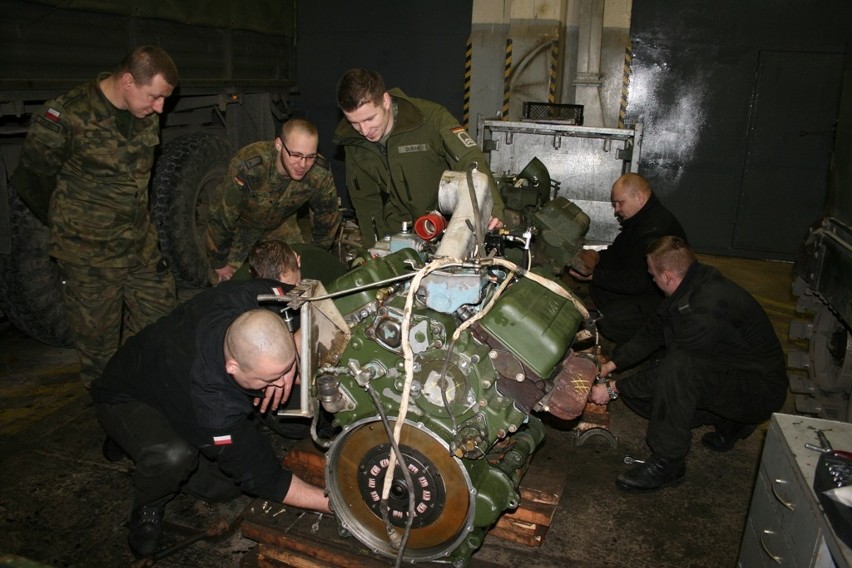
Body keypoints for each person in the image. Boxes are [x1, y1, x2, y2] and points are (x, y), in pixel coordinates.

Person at [90, 278, 330, 558]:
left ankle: (133, 439)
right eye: (271, 378)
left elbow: (319, 300)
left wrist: (294, 349)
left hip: (163, 368)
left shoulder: (250, 294)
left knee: (292, 401)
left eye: (286, 370)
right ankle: (147, 502)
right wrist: (335, 505)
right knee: (187, 465)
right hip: (126, 395)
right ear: (233, 366)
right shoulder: (211, 404)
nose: (283, 381)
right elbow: (265, 479)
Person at [12, 45, 180, 388]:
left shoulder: (145, 112)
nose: (161, 107)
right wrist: (77, 225)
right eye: (155, 97)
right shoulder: (67, 116)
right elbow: (32, 181)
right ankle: (111, 415)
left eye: (165, 98)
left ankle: (150, 397)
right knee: (99, 353)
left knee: (165, 327)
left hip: (140, 248)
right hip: (91, 257)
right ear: (128, 81)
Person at [588, 236, 788, 491]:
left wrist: (613, 389)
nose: (652, 280)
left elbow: (674, 369)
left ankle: (668, 463)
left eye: (653, 275)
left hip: (759, 393)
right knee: (644, 392)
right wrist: (612, 365)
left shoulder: (706, 310)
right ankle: (731, 422)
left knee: (671, 375)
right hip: (735, 375)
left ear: (668, 276)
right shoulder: (691, 284)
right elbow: (654, 331)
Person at [333, 68, 505, 248]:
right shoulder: (353, 141)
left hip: (445, 225)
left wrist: (491, 210)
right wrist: (373, 252)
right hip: (399, 229)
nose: (364, 131)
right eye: (354, 123)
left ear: (385, 101)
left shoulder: (429, 119)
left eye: (370, 119)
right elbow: (366, 204)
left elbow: (470, 159)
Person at [205, 118, 342, 284]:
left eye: (310, 156)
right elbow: (221, 215)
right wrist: (219, 262)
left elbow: (327, 216)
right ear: (279, 144)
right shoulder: (250, 167)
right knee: (229, 284)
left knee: (300, 276)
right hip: (241, 227)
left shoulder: (319, 173)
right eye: (296, 155)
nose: (303, 164)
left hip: (282, 226)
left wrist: (318, 253)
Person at [570, 173, 687, 344]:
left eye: (620, 203)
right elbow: (619, 252)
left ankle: (658, 338)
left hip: (662, 300)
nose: (616, 209)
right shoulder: (640, 221)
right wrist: (596, 257)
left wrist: (594, 276)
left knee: (611, 322)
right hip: (644, 286)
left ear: (639, 197)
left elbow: (637, 281)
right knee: (600, 287)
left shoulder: (655, 231)